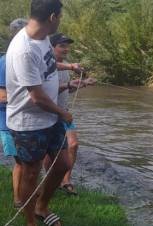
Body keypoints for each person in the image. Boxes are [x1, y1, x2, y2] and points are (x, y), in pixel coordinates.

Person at [6, 1, 69, 226]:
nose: (60, 19)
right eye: (60, 16)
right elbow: (37, 98)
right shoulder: (24, 49)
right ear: (52, 17)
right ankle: (30, 220)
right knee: (31, 173)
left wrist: (70, 68)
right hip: (29, 122)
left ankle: (42, 207)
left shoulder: (42, 37)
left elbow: (48, 65)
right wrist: (64, 113)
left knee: (62, 164)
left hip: (50, 118)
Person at [44, 33, 96, 195]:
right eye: (62, 46)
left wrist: (82, 84)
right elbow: (47, 91)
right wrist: (67, 84)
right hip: (49, 112)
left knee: (73, 145)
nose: (66, 49)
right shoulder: (46, 65)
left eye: (67, 46)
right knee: (50, 151)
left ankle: (66, 181)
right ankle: (51, 179)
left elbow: (67, 90)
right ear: (51, 47)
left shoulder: (66, 66)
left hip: (64, 112)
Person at [0, 18, 28, 209]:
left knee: (28, 161)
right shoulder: (6, 61)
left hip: (24, 119)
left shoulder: (23, 57)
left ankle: (26, 195)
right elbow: (2, 96)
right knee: (21, 161)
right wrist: (32, 99)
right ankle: (19, 200)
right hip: (8, 122)